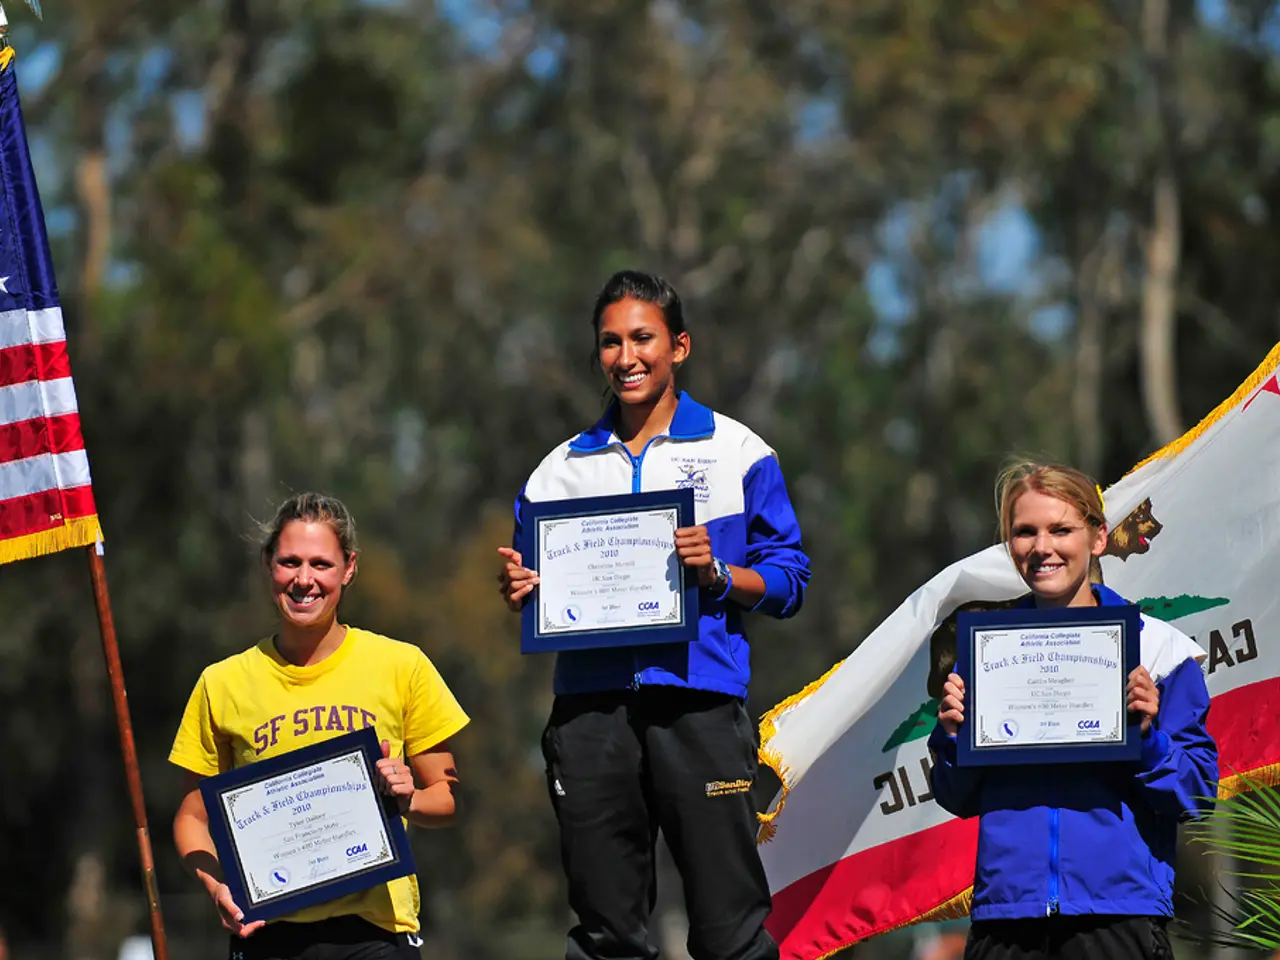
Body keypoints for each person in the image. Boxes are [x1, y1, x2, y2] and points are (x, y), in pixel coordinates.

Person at [497, 270, 811, 960]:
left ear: (680, 346)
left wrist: (720, 575)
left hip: (699, 710)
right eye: (610, 342)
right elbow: (535, 587)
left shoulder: (739, 453)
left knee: (731, 930)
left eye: (643, 338)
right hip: (590, 719)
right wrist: (522, 587)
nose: (626, 356)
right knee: (607, 934)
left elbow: (791, 581)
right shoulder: (556, 472)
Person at [929, 461, 1218, 960]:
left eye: (1061, 529)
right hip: (1007, 919)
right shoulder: (985, 653)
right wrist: (953, 739)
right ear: (1009, 544)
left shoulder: (1159, 652)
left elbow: (1195, 795)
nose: (1043, 547)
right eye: (1025, 532)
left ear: (1098, 537)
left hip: (1119, 917)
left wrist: (1148, 740)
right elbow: (957, 797)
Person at [170, 493, 469, 960]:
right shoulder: (221, 683)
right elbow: (192, 817)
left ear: (348, 568)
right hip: (267, 933)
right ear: (268, 564)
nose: (304, 580)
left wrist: (407, 797)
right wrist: (216, 887)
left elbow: (446, 799)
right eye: (289, 562)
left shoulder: (401, 665)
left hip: (376, 934)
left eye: (320, 564)